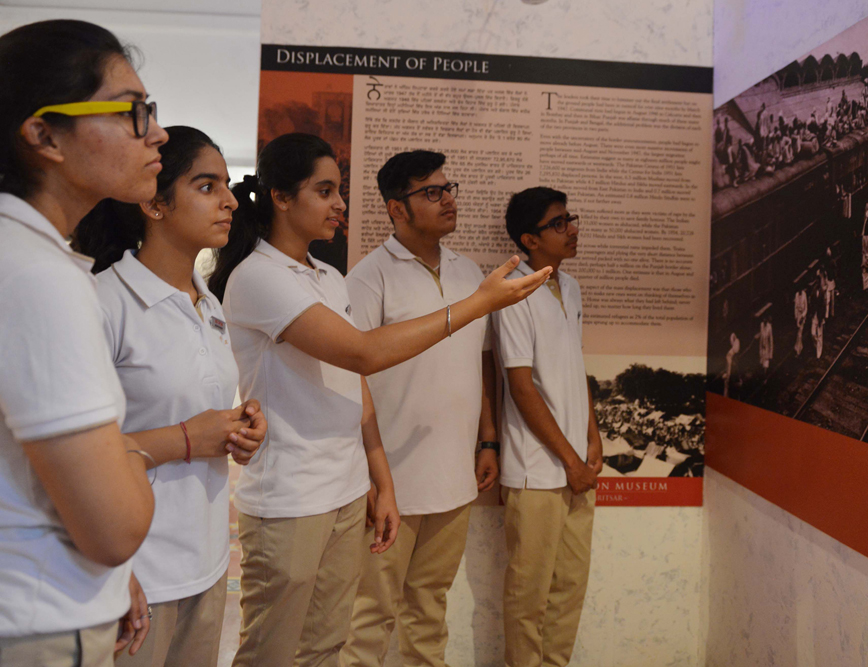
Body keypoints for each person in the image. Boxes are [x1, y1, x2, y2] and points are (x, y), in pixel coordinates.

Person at [208, 133, 551, 667]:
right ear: (281, 196)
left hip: (349, 486)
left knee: (327, 644)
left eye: (338, 191)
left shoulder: (327, 276)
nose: (339, 204)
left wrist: (380, 480)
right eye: (325, 191)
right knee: (276, 650)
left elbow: (354, 386)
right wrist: (479, 302)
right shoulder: (259, 277)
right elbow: (364, 354)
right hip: (292, 493)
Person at [73, 126, 267, 667]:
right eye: (207, 186)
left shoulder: (208, 303)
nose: (230, 200)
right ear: (154, 204)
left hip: (207, 561)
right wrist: (187, 438)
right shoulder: (104, 302)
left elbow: (195, 411)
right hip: (134, 572)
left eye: (226, 184)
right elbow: (69, 456)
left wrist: (238, 428)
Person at [0, 19, 162, 665]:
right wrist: (135, 452)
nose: (156, 132)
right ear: (44, 135)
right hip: (39, 618)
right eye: (132, 111)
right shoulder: (37, 275)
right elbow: (115, 529)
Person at [340, 151, 501, 666]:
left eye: (448, 188)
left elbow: (478, 364)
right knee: (370, 616)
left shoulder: (470, 273)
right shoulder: (369, 277)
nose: (448, 199)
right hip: (392, 481)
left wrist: (488, 439)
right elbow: (349, 375)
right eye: (431, 192)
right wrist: (369, 474)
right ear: (397, 208)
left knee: (429, 609)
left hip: (454, 477)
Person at [494, 187, 602, 667]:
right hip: (536, 470)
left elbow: (574, 368)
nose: (571, 229)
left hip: (578, 467)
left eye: (569, 219)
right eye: (559, 223)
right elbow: (521, 388)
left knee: (569, 589)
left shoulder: (570, 287)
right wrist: (571, 460)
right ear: (529, 240)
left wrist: (592, 436)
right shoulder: (513, 291)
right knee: (529, 596)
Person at [794, 287, 808, 356]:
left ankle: (798, 350)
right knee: (798, 333)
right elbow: (795, 307)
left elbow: (806, 308)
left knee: (800, 333)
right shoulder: (796, 295)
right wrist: (796, 317)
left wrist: (802, 316)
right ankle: (798, 347)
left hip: (802, 316)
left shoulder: (804, 295)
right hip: (798, 315)